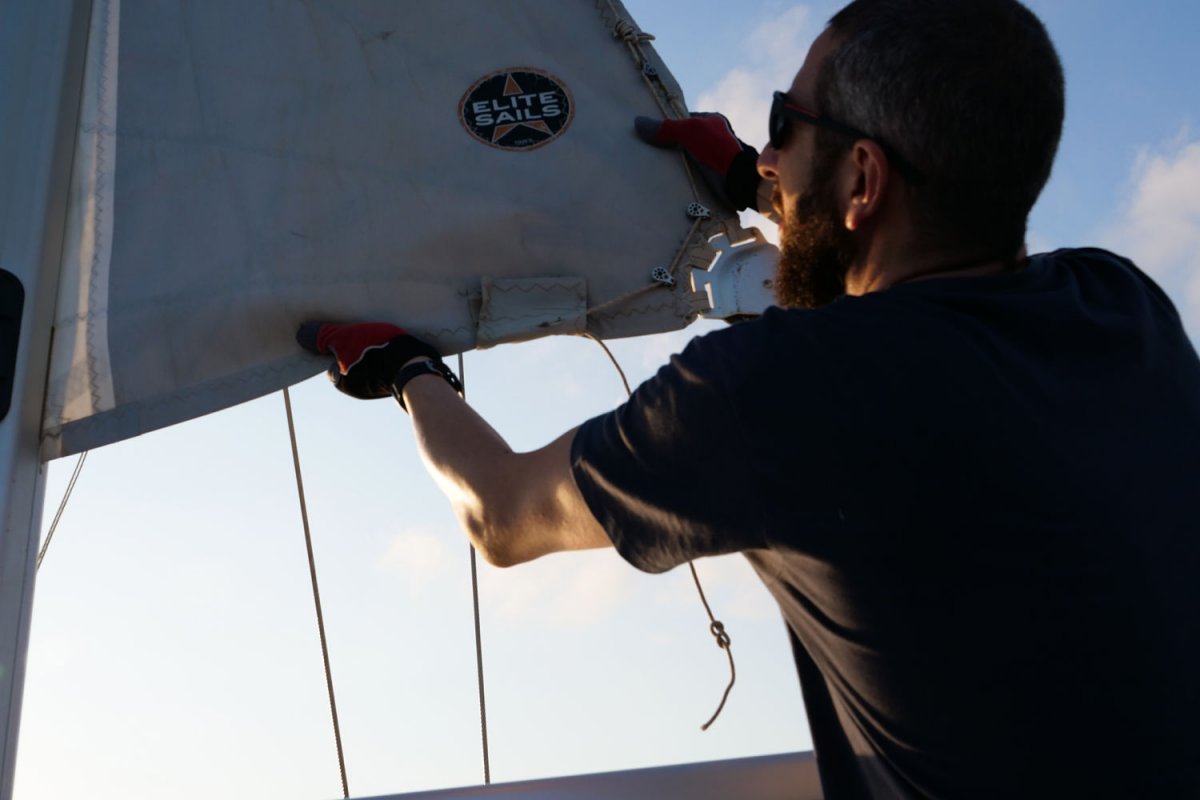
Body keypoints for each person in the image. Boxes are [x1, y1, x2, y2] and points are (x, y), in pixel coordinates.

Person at [299, 0, 1200, 796]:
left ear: (863, 180)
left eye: (784, 127)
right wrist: (772, 191)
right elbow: (923, 295)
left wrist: (406, 370)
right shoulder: (1123, 308)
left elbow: (501, 514)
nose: (767, 154)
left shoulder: (772, 392)